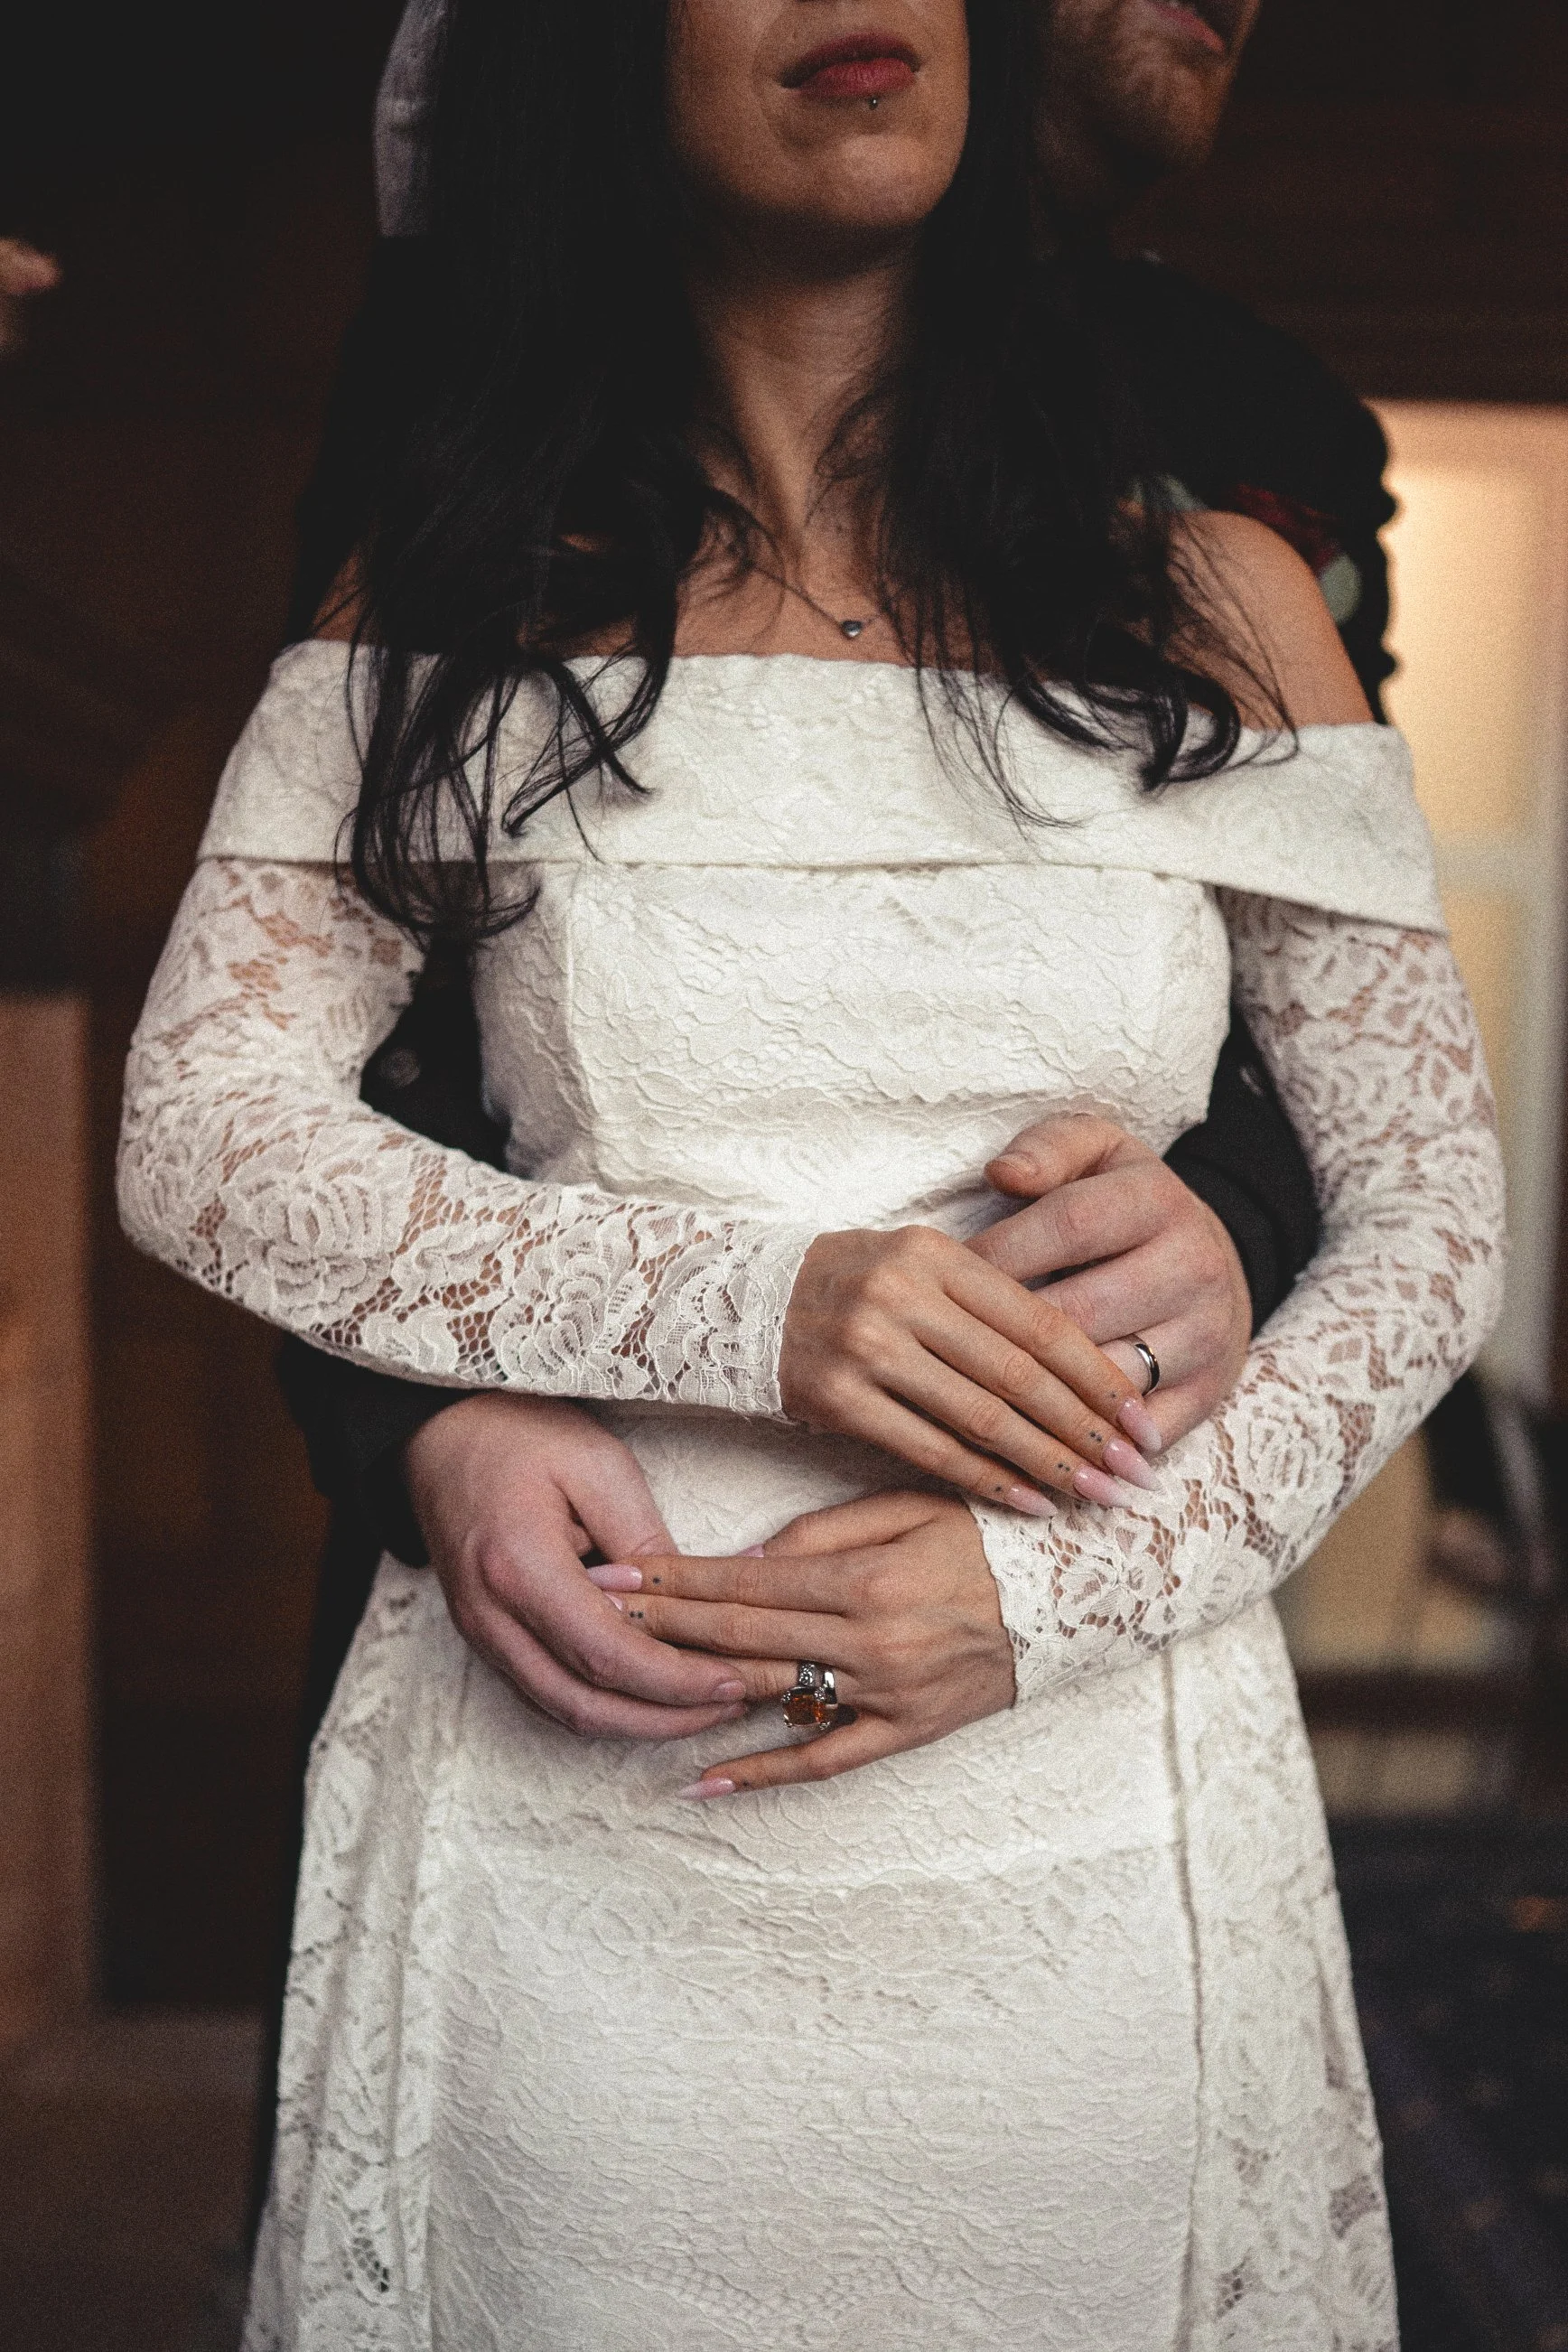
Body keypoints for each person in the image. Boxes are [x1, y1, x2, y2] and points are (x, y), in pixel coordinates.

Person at [118, 1, 1503, 2342]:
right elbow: (205, 1131)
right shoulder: (456, 589)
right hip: (587, 1826)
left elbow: (1430, 1216)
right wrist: (755, 1305)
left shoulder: (1218, 607)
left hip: (1084, 1821)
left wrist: (1051, 1604)